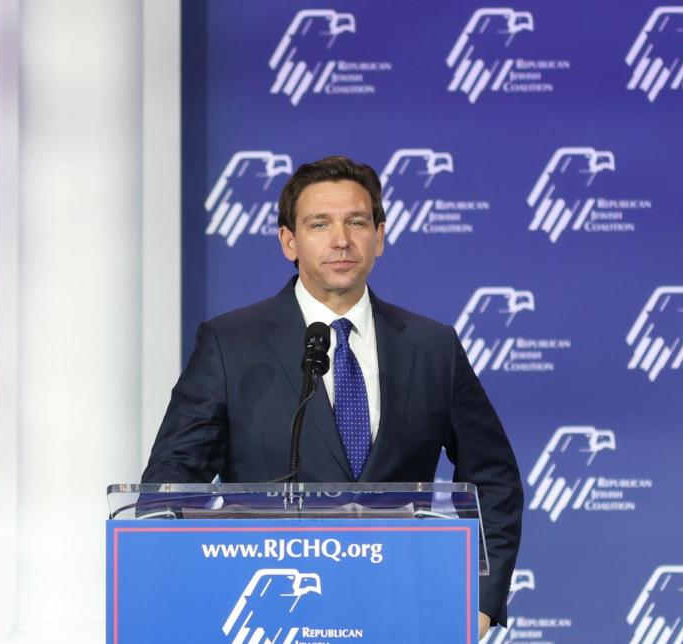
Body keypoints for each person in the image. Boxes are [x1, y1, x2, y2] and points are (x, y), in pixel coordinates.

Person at [143, 155, 523, 638]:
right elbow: (172, 480)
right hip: (274, 612)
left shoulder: (432, 346)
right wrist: (184, 590)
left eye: (357, 222)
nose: (341, 239)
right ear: (289, 241)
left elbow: (493, 477)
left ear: (379, 237)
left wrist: (478, 601)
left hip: (402, 612)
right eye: (319, 224)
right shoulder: (230, 344)